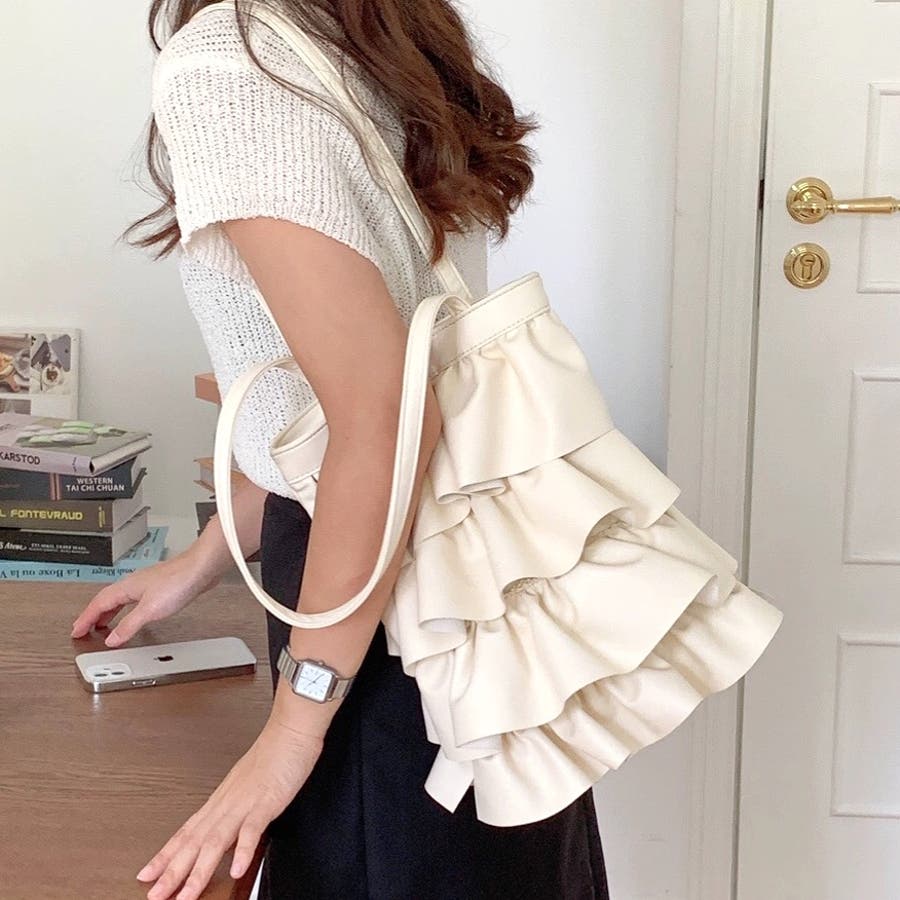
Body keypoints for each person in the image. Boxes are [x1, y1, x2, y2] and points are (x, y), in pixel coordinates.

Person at [71, 1, 611, 898]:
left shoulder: (229, 61)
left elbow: (383, 418)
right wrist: (206, 557)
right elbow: (349, 406)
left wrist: (292, 731)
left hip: (374, 620)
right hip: (486, 588)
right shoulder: (382, 33)